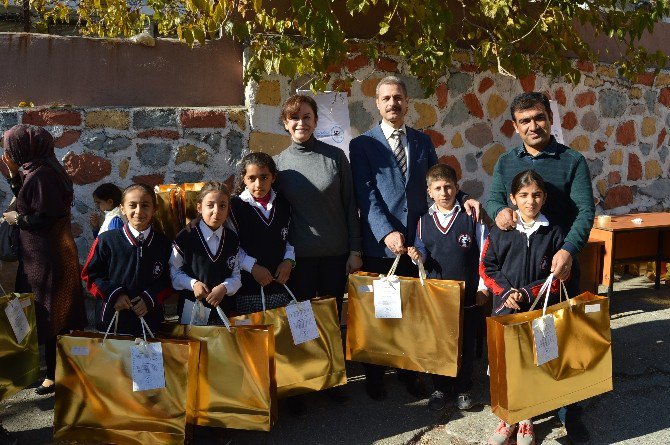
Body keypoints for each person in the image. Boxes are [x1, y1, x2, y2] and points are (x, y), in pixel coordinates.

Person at [349, 75, 481, 401]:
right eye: (386, 98)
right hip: (383, 247)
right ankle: (376, 376)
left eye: (398, 98)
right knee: (383, 313)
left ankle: (410, 374)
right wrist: (385, 233)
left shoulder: (422, 142)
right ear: (377, 104)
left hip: (418, 246)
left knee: (412, 314)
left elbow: (438, 182)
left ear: (407, 103)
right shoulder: (363, 145)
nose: (393, 103)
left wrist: (464, 197)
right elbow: (366, 196)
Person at [485, 91, 594, 443]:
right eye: (525, 121)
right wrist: (499, 210)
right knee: (520, 344)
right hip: (518, 268)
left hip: (559, 266)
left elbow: (584, 212)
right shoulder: (505, 162)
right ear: (516, 127)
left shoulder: (573, 160)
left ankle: (568, 411)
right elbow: (494, 197)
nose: (534, 125)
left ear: (550, 118)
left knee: (562, 340)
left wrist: (569, 250)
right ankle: (519, 410)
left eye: (539, 117)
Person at [273, 93, 361, 415]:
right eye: (294, 118)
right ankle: (301, 384)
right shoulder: (279, 165)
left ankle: (333, 380)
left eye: (307, 117)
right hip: (300, 261)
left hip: (335, 255)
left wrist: (355, 249)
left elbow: (351, 206)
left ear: (316, 121)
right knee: (301, 323)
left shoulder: (336, 158)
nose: (301, 123)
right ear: (286, 123)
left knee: (330, 321)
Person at [481, 170, 566, 445]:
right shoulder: (499, 231)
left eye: (537, 195)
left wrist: (528, 293)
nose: (531, 201)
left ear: (545, 198)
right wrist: (506, 292)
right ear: (512, 199)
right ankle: (508, 418)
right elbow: (486, 267)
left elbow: (557, 277)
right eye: (524, 195)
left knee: (534, 363)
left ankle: (527, 417)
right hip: (505, 312)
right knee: (506, 365)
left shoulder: (553, 232)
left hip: (539, 311)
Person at [2, 124, 86, 396]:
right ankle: (55, 370)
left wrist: (18, 219)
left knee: (52, 314)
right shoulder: (36, 170)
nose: (6, 153)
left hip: (47, 258)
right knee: (50, 314)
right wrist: (13, 174)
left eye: (9, 147)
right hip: (43, 255)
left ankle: (54, 374)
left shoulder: (42, 175)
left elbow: (45, 216)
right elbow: (24, 196)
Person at [407, 164, 489, 412]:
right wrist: (415, 255)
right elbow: (421, 251)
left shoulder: (470, 216)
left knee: (464, 341)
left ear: (456, 187)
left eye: (448, 187)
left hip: (468, 292)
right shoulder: (423, 221)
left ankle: (464, 388)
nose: (444, 193)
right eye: (438, 188)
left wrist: (484, 286)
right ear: (429, 191)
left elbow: (485, 253)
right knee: (438, 342)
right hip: (437, 296)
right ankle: (440, 387)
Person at [81, 184, 172, 336]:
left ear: (154, 209)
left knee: (148, 359)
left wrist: (150, 298)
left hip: (149, 318)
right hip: (111, 318)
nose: (139, 211)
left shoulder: (163, 243)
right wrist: (114, 294)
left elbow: (169, 279)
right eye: (132, 205)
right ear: (122, 208)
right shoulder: (106, 240)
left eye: (145, 205)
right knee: (113, 359)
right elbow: (90, 275)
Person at [229, 152, 294, 314]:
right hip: (248, 289)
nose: (258, 184)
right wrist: (252, 267)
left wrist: (288, 261)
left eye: (264, 177)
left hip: (280, 285)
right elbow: (229, 245)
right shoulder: (234, 207)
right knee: (254, 337)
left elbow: (290, 238)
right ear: (243, 178)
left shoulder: (283, 204)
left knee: (280, 334)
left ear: (273, 177)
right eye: (252, 178)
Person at [170, 182, 241, 322]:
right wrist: (193, 284)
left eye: (222, 206)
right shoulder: (185, 237)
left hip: (223, 311)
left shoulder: (232, 239)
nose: (217, 211)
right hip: (191, 312)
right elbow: (174, 273)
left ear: (228, 209)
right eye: (210, 205)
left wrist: (224, 288)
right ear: (199, 207)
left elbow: (236, 276)